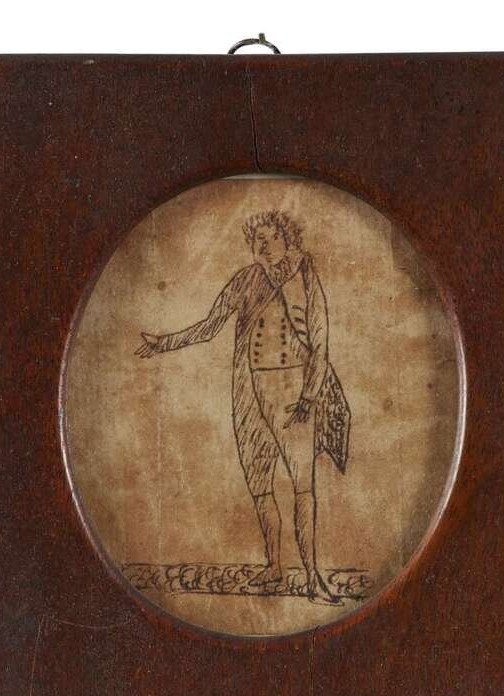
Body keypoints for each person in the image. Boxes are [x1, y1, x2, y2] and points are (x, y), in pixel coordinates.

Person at [136, 210, 350, 604]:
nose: (262, 247)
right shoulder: (245, 279)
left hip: (293, 392)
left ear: (287, 237)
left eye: (270, 238)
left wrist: (308, 396)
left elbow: (320, 344)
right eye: (257, 242)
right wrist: (164, 343)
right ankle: (274, 567)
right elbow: (210, 325)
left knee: (302, 485)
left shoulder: (305, 276)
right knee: (259, 484)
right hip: (249, 390)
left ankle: (313, 576)